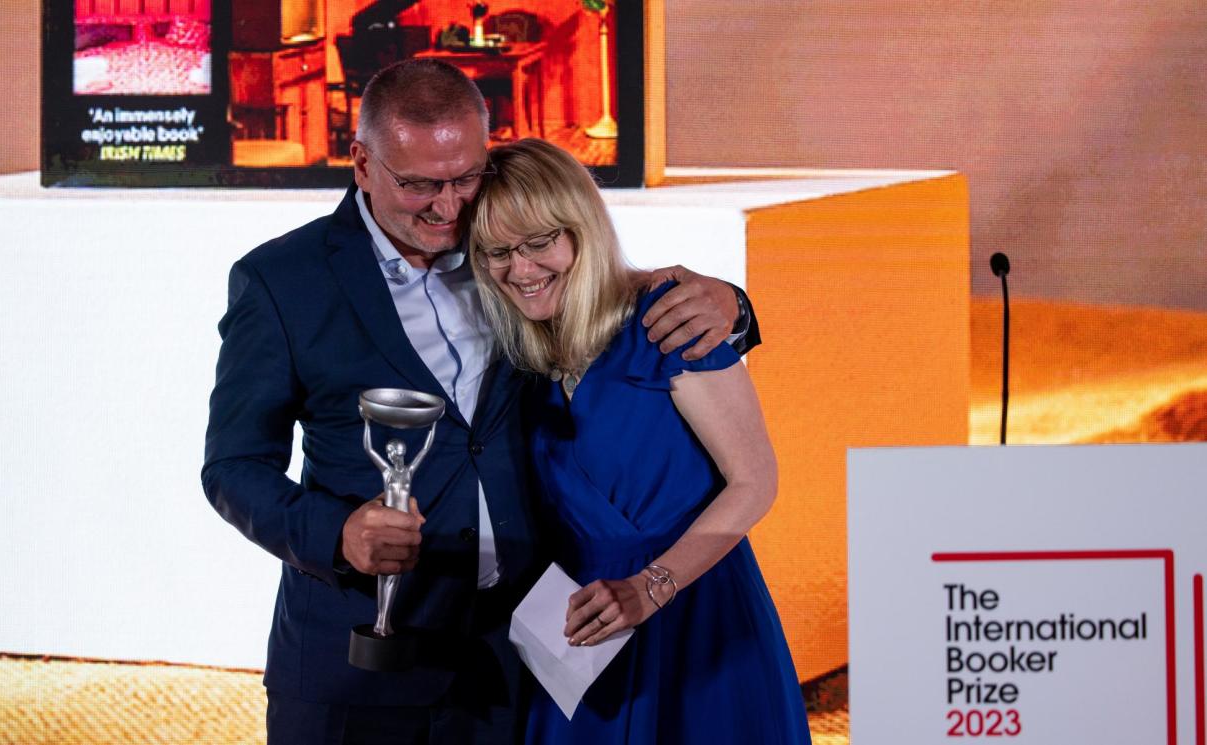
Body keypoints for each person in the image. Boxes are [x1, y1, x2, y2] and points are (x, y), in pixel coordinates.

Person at [202, 59, 753, 745]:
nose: (448, 205)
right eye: (419, 185)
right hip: (356, 663)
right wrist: (336, 533)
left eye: (466, 177)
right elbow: (231, 468)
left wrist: (735, 307)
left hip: (518, 656)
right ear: (362, 164)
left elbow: (615, 303)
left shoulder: (510, 258)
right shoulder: (281, 280)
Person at [469, 138, 811, 744]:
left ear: (582, 230)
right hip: (581, 627)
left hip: (698, 608)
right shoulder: (524, 355)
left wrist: (652, 587)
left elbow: (756, 480)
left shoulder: (667, 316)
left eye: (541, 242)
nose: (520, 270)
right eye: (499, 251)